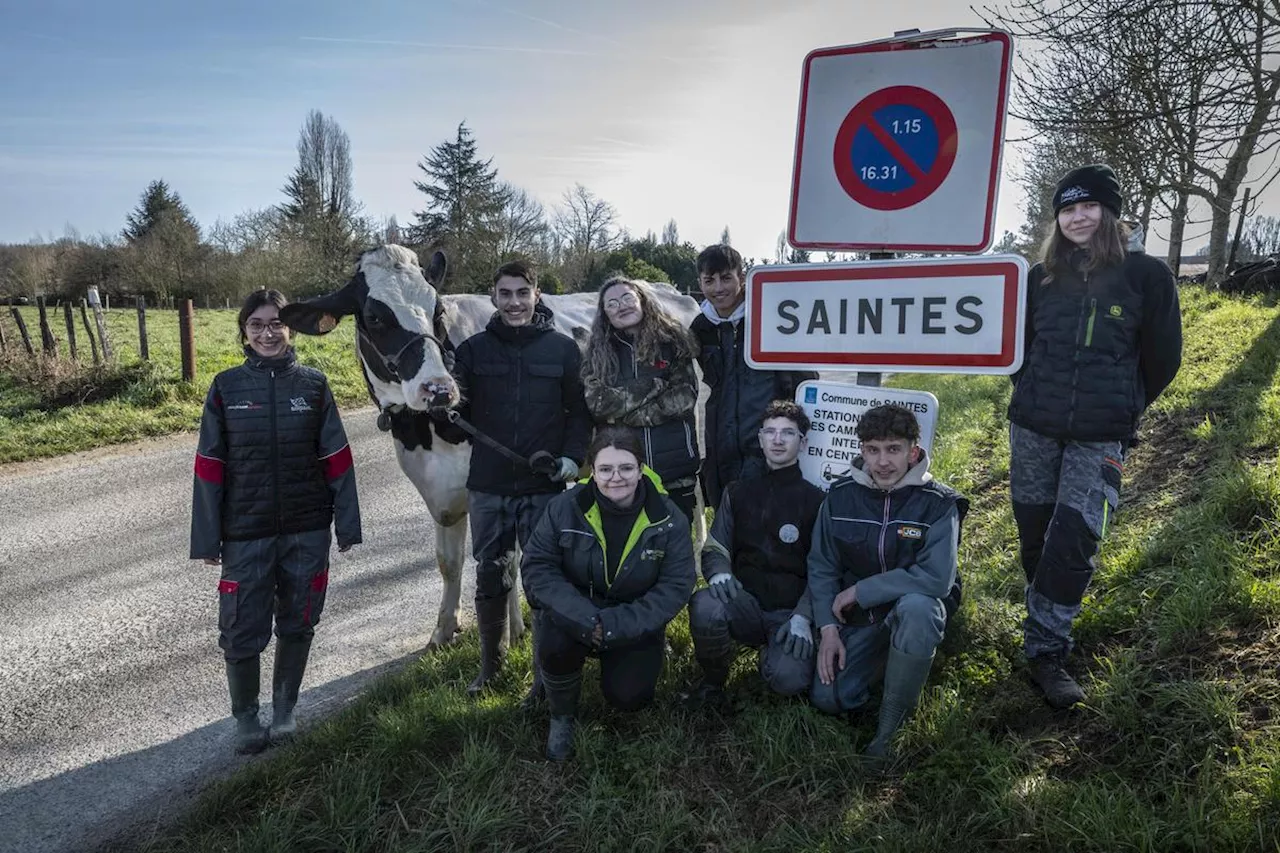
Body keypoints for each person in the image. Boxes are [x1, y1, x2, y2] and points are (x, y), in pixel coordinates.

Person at [1009, 164, 1182, 708]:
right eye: (1067, 209)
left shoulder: (1146, 276)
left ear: (1110, 213)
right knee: (1035, 534)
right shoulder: (1040, 279)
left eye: (1088, 207)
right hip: (1033, 428)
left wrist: (1125, 406)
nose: (1077, 217)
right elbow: (1018, 349)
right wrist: (1035, 388)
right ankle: (1046, 616)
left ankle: (1046, 651)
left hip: (1101, 436)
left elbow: (1163, 358)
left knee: (1075, 536)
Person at [190, 289, 362, 754]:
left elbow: (337, 459)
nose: (268, 333)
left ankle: (285, 711)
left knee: (299, 620)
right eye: (257, 325)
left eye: (276, 324)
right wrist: (207, 538)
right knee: (241, 628)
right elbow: (209, 464)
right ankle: (247, 720)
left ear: (290, 329)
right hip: (245, 532)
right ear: (244, 332)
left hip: (307, 529)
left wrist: (347, 526)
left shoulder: (314, 385)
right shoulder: (225, 387)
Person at [452, 260, 593, 695]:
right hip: (488, 485)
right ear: (493, 297)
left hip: (543, 484)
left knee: (544, 578)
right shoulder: (472, 351)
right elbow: (458, 410)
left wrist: (572, 458)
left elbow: (579, 413)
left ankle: (543, 677)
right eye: (505, 293)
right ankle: (490, 670)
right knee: (490, 573)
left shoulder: (563, 350)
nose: (514, 302)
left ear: (537, 296)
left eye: (522, 293)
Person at [520, 426, 696, 760]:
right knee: (555, 647)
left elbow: (676, 585)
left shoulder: (669, 518)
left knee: (629, 698)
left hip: (632, 617)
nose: (616, 478)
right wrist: (584, 617)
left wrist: (614, 624)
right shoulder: (564, 507)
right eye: (605, 469)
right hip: (574, 613)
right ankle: (561, 718)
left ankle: (630, 662)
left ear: (642, 469)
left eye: (626, 468)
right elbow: (538, 566)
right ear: (593, 471)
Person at [808, 404, 966, 758]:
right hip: (860, 618)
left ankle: (890, 731)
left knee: (918, 607)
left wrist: (862, 590)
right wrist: (828, 629)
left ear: (913, 450)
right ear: (861, 450)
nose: (882, 462)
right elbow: (821, 566)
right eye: (873, 450)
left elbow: (937, 579)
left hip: (912, 610)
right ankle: (891, 664)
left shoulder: (940, 504)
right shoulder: (840, 496)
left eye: (893, 449)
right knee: (830, 699)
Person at [684, 400, 826, 707]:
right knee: (705, 604)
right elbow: (715, 546)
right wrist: (719, 570)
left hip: (790, 615)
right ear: (760, 439)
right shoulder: (737, 492)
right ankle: (713, 680)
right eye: (770, 432)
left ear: (802, 443)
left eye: (787, 433)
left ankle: (774, 655)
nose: (777, 440)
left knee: (788, 680)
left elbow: (825, 569)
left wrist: (804, 616)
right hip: (743, 603)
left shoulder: (818, 501)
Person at [690, 244, 816, 508]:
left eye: (726, 278)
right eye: (709, 280)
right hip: (721, 440)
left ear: (742, 276)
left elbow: (805, 379)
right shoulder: (701, 327)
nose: (718, 288)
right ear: (700, 282)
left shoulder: (772, 316)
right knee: (729, 515)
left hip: (768, 439)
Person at [581, 274, 701, 524]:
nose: (621, 305)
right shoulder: (597, 354)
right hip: (620, 476)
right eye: (611, 304)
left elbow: (684, 398)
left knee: (674, 551)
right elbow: (598, 403)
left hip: (674, 469)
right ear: (605, 315)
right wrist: (654, 385)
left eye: (627, 297)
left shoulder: (673, 343)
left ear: (642, 301)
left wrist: (626, 415)